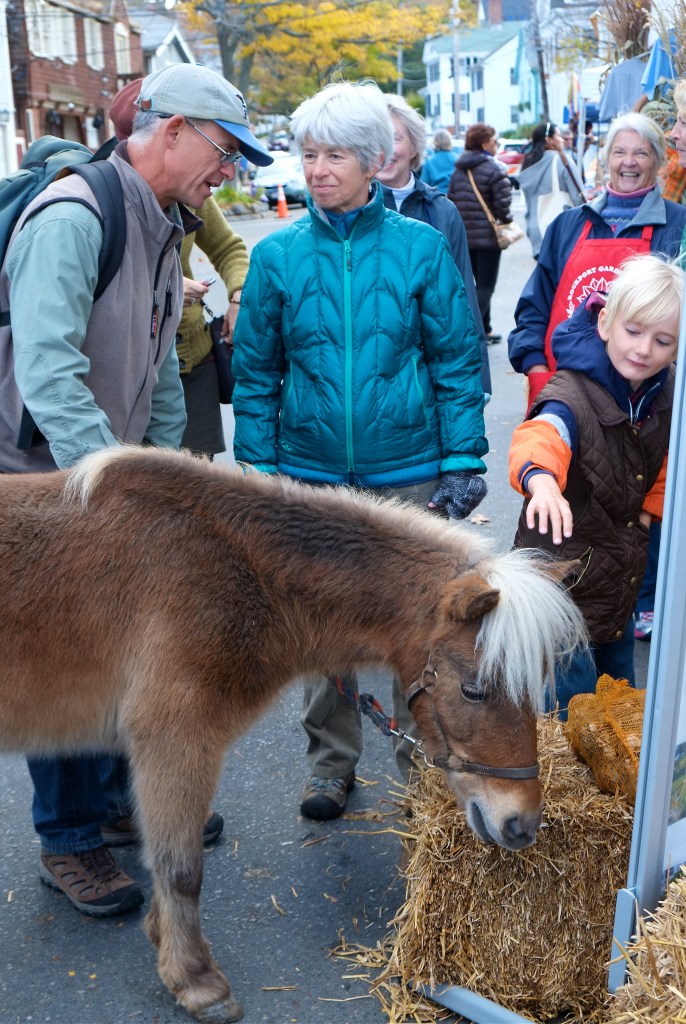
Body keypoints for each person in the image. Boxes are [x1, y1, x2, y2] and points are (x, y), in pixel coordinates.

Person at [0, 63, 271, 916]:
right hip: (41, 482)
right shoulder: (75, 214)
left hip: (100, 478)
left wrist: (168, 478)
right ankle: (70, 841)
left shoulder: (166, 222)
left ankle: (117, 807)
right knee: (64, 660)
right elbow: (47, 368)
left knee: (121, 647)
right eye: (224, 152)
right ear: (173, 130)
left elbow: (159, 369)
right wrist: (118, 481)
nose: (227, 173)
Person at [231, 80, 488, 820]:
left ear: (375, 161)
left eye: (334, 154)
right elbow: (257, 374)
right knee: (320, 631)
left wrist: (463, 460)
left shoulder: (422, 249)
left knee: (419, 630)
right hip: (311, 477)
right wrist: (257, 470)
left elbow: (455, 361)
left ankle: (419, 762)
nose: (316, 169)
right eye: (309, 153)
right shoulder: (277, 258)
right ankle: (329, 765)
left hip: (405, 473)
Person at [509, 254, 684, 718]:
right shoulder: (572, 391)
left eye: (662, 340)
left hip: (617, 582)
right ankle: (562, 775)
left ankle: (613, 782)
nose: (644, 349)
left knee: (618, 698)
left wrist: (648, 513)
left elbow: (665, 459)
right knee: (573, 705)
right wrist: (541, 481)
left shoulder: (662, 396)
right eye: (634, 331)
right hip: (561, 585)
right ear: (605, 322)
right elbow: (543, 433)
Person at [109, 79, 251, 459]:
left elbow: (229, 248)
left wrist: (238, 297)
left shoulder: (192, 191)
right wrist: (171, 283)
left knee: (193, 487)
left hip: (190, 359)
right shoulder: (102, 203)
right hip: (134, 369)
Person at [508, 111, 686, 410]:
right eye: (619, 152)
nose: (628, 162)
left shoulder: (679, 226)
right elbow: (534, 306)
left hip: (644, 400)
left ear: (658, 163)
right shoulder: (567, 224)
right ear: (606, 161)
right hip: (564, 389)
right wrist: (535, 367)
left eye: (641, 153)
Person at [376, 94, 491, 398]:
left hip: (432, 373)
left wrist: (479, 382)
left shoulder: (442, 211)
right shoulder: (350, 212)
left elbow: (463, 298)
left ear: (414, 146)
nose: (384, 150)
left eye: (394, 139)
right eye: (375, 139)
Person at [448, 122, 513, 344]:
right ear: (485, 143)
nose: (496, 144)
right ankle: (472, 331)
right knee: (485, 286)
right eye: (494, 140)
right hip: (488, 238)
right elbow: (503, 207)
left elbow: (451, 201)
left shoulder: (459, 170)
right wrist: (507, 220)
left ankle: (485, 329)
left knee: (474, 284)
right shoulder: (494, 169)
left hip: (465, 237)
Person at [517, 121, 586, 261]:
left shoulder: (528, 165)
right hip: (561, 232)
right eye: (559, 136)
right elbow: (578, 198)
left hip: (537, 233)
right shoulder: (562, 160)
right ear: (549, 141)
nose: (562, 139)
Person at [420, 127, 458, 194]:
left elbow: (423, 185)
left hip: (436, 198)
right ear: (449, 141)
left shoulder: (429, 161)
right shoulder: (458, 158)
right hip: (455, 197)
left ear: (434, 142)